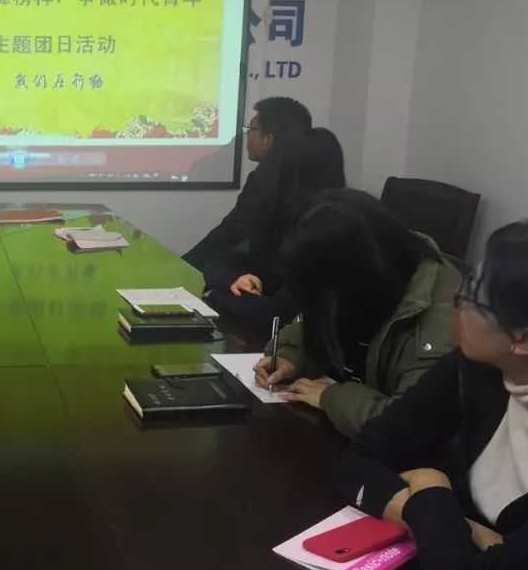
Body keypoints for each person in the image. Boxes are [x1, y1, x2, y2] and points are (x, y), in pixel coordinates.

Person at [336, 221, 528, 570]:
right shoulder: (477, 367)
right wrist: (457, 528)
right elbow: (360, 458)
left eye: (474, 299)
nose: (455, 303)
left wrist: (431, 485)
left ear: (524, 340)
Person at [252, 189, 461, 437]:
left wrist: (333, 398)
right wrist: (291, 355)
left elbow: (412, 428)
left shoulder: (441, 323)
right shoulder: (369, 271)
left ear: (354, 278)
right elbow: (318, 317)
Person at [202, 127, 346, 332]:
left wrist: (216, 295)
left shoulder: (328, 229)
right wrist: (253, 281)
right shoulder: (290, 218)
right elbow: (230, 262)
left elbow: (278, 314)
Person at [182, 97, 312, 273]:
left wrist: (184, 265)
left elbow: (230, 232)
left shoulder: (263, 182)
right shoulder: (310, 176)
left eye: (251, 129)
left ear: (268, 139)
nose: (247, 135)